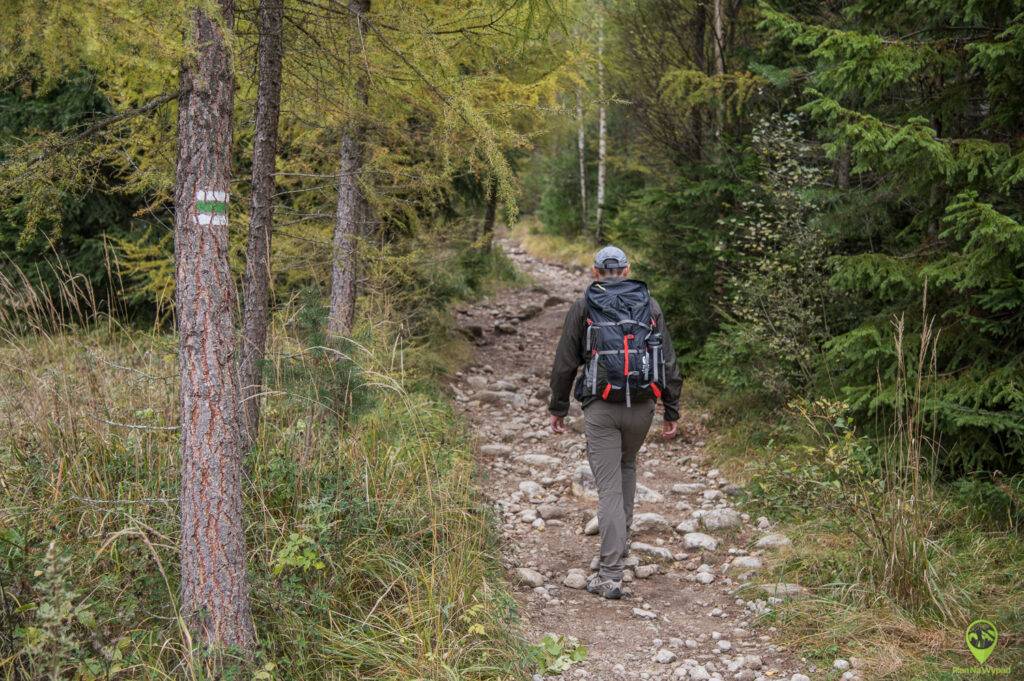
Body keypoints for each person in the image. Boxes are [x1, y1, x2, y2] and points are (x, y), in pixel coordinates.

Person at [548, 245, 683, 599]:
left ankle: (610, 574)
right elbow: (667, 361)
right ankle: (619, 548)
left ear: (595, 271)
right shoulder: (649, 305)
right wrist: (671, 409)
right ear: (626, 270)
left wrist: (558, 407)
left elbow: (565, 362)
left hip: (602, 407)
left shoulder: (585, 305)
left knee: (608, 487)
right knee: (627, 466)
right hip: (642, 406)